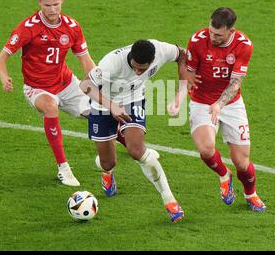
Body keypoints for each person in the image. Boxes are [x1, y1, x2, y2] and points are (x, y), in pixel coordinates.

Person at [79, 39, 197, 222]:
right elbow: (85, 85)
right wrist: (111, 107)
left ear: (153, 60)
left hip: (133, 100)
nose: (137, 72)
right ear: (131, 57)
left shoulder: (161, 50)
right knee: (108, 162)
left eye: (142, 70)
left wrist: (182, 87)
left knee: (136, 150)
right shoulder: (112, 62)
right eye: (134, 67)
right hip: (102, 104)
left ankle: (170, 201)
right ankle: (107, 172)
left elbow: (182, 54)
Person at [0, 0, 95, 187]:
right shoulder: (28, 28)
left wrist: (97, 84)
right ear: (39, 1)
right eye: (47, 5)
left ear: (63, 0)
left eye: (56, 4)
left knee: (100, 112)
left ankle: (132, 148)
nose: (52, 9)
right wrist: (4, 78)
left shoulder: (72, 26)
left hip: (66, 83)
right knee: (50, 106)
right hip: (37, 88)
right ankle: (64, 168)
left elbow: (85, 60)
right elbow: (1, 58)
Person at [168, 7, 266, 212]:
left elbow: (236, 82)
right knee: (206, 148)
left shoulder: (244, 46)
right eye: (211, 31)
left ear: (231, 31)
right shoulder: (197, 40)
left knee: (241, 162)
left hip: (231, 104)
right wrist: (178, 99)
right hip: (202, 102)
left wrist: (220, 104)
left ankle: (251, 194)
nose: (212, 37)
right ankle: (224, 175)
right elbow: (189, 74)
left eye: (218, 35)